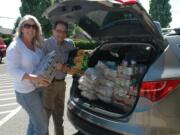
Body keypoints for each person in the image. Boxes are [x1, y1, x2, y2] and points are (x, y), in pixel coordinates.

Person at [6, 15, 50, 135]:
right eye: (27, 25)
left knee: (34, 121)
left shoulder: (35, 46)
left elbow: (40, 64)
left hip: (38, 88)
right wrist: (34, 77)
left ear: (37, 29)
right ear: (21, 29)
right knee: (42, 126)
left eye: (33, 26)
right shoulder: (15, 46)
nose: (30, 28)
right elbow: (11, 70)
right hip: (26, 92)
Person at [42, 20, 76, 135]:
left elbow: (74, 67)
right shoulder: (46, 44)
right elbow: (39, 64)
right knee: (44, 118)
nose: (61, 34)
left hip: (62, 84)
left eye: (64, 32)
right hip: (48, 84)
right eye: (58, 31)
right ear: (53, 31)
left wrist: (63, 67)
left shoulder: (70, 45)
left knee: (59, 116)